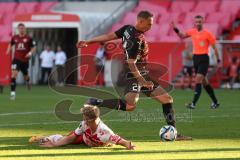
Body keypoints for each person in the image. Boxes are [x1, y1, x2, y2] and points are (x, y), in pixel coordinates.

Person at [77, 10, 192, 140]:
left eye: (152, 24)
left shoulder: (127, 29)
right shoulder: (135, 39)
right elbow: (131, 64)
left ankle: (174, 133)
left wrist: (88, 41)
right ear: (140, 21)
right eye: (149, 24)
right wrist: (142, 81)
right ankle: (96, 101)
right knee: (130, 105)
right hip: (133, 74)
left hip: (140, 73)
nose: (150, 27)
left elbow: (110, 36)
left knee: (167, 99)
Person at [29, 105, 135, 150]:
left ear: (90, 119)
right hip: (84, 138)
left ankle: (44, 138)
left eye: (84, 117)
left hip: (91, 141)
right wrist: (54, 144)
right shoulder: (84, 124)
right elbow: (70, 138)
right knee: (64, 138)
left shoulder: (103, 132)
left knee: (65, 139)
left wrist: (129, 145)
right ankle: (41, 138)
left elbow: (120, 140)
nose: (83, 119)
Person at [172, 15, 220, 109]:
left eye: (199, 22)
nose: (198, 23)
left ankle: (193, 104)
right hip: (196, 59)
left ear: (203, 22)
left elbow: (215, 48)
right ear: (194, 23)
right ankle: (215, 102)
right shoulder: (192, 32)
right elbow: (182, 36)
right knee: (205, 82)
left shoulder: (208, 34)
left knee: (197, 79)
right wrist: (175, 29)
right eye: (196, 22)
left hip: (204, 59)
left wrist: (218, 59)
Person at [6, 23, 36, 100]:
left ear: (24, 29)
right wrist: (8, 50)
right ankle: (13, 94)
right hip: (16, 59)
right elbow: (11, 43)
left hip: (25, 60)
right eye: (20, 28)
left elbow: (34, 48)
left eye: (22, 28)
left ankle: (28, 82)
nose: (21, 29)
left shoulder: (29, 38)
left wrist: (29, 53)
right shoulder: (14, 37)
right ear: (18, 29)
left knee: (25, 75)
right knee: (14, 75)